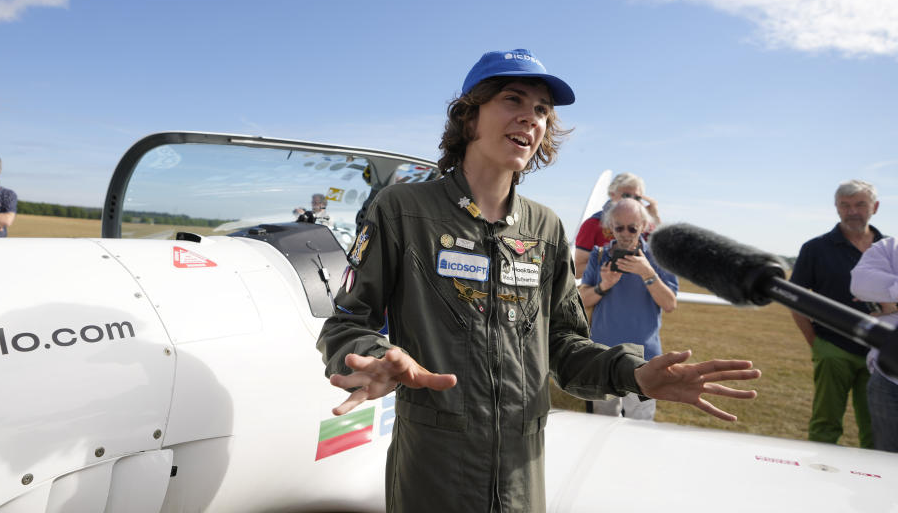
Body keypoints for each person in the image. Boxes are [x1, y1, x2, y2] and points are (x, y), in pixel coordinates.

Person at [317, 48, 760, 512]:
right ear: (470, 118)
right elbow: (346, 323)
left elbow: (565, 345)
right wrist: (373, 358)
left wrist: (633, 373)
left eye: (542, 111)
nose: (531, 118)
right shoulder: (403, 211)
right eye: (514, 100)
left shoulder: (545, 229)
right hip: (433, 471)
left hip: (522, 478)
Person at [790, 179, 885, 449]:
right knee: (826, 424)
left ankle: (876, 485)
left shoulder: (891, 249)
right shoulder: (816, 248)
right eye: (845, 205)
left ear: (875, 207)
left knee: (880, 427)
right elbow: (795, 299)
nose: (852, 211)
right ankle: (818, 478)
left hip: (882, 354)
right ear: (836, 208)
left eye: (860, 204)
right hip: (834, 349)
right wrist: (818, 344)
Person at [577, 197, 678, 419]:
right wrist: (604, 286)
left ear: (644, 226)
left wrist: (647, 273)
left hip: (645, 357)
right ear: (609, 227)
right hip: (603, 355)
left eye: (632, 228)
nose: (625, 233)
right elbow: (582, 299)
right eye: (618, 227)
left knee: (640, 425)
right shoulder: (599, 254)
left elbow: (669, 304)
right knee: (602, 423)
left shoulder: (660, 258)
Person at [850, 236, 898, 452]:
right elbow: (860, 283)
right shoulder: (890, 247)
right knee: (886, 464)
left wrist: (892, 302)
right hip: (887, 381)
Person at [574, 172, 660, 278]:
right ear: (611, 194)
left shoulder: (647, 226)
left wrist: (655, 218)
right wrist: (615, 265)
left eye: (637, 198)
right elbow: (577, 271)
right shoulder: (593, 225)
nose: (631, 200)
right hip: (601, 291)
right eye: (626, 195)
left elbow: (667, 260)